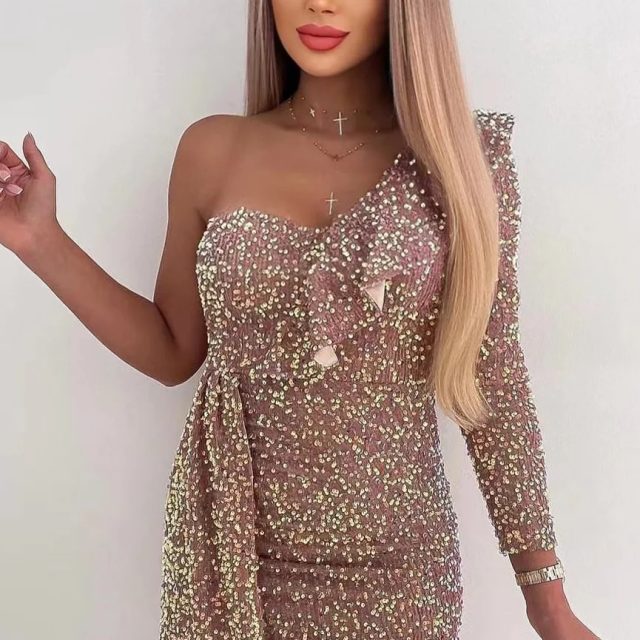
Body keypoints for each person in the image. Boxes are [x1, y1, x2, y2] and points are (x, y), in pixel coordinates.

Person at [0, 1, 601, 639]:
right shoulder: (212, 149)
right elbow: (173, 350)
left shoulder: (459, 163)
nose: (320, 3)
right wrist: (41, 241)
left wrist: (548, 603)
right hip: (231, 560)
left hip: (401, 575)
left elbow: (493, 379)